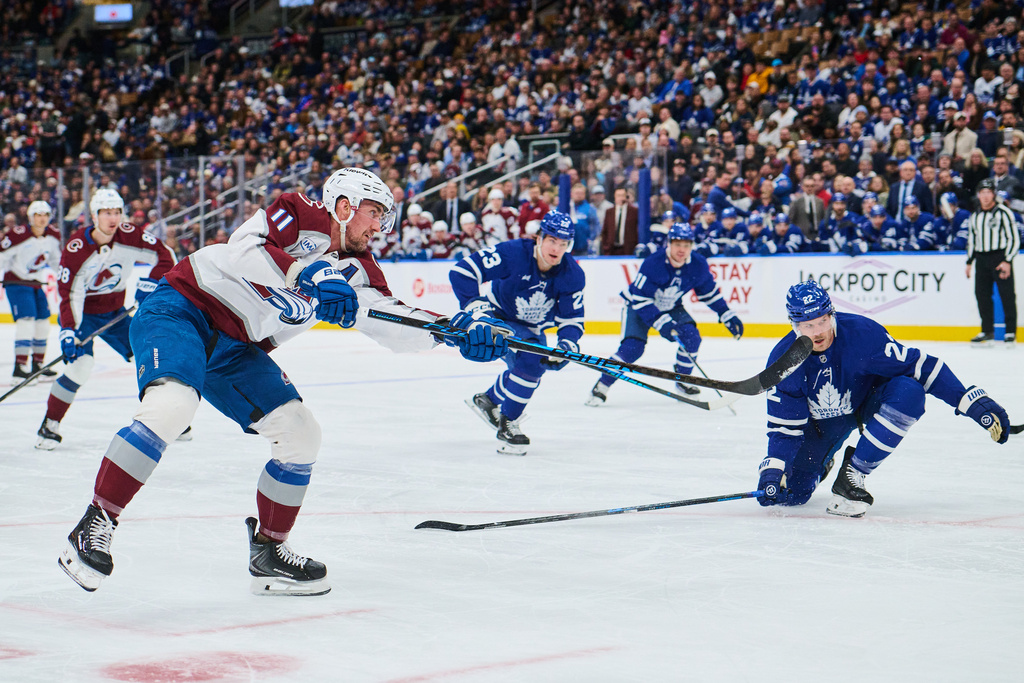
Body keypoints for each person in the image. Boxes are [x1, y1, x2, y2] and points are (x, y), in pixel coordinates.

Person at [58, 168, 509, 595]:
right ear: (346, 204)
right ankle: (96, 522)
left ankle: (270, 550)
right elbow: (244, 247)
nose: (381, 225)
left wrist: (454, 333)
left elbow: (392, 321)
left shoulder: (362, 272)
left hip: (237, 348)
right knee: (172, 406)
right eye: (376, 212)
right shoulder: (299, 211)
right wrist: (305, 274)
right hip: (183, 307)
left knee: (300, 433)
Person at [757, 280, 1011, 518]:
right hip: (820, 427)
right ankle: (822, 463)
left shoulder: (862, 335)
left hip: (866, 404)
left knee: (909, 392)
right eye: (808, 326)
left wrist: (971, 402)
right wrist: (774, 467)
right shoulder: (783, 361)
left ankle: (853, 473)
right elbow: (784, 428)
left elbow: (921, 366)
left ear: (832, 314)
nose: (818, 332)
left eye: (823, 321)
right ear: (794, 325)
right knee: (792, 495)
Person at [36, 189, 178, 450]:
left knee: (148, 358)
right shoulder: (77, 248)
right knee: (80, 366)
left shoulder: (129, 234)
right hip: (85, 317)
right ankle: (49, 425)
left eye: (117, 212)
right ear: (94, 215)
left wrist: (150, 281)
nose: (113, 218)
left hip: (116, 313)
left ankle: (168, 419)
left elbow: (165, 255)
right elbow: (69, 293)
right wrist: (68, 329)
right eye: (106, 213)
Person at [451, 210, 584, 455]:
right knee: (532, 363)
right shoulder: (513, 253)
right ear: (539, 238)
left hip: (531, 329)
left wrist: (567, 346)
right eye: (552, 240)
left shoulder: (572, 274)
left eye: (563, 243)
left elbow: (572, 320)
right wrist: (476, 309)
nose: (557, 248)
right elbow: (462, 272)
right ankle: (507, 424)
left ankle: (489, 400)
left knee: (533, 366)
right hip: (498, 319)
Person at [585, 223, 743, 406]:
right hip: (638, 305)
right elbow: (640, 298)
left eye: (686, 245)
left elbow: (709, 293)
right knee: (632, 349)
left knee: (692, 338)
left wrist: (726, 314)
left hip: (671, 306)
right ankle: (601, 386)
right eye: (677, 244)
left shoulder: (697, 264)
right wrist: (662, 322)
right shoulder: (654, 263)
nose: (681, 250)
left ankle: (683, 381)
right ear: (669, 244)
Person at [0, 200, 61, 384]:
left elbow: (57, 261)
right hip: (16, 282)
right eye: (38, 215)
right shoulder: (18, 235)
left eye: (45, 215)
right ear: (30, 217)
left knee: (43, 321)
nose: (42, 219)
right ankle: (19, 368)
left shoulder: (53, 236)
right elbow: (2, 256)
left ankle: (37, 365)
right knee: (26, 321)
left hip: (36, 283)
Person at [966, 178, 1019, 344]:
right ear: (978, 195)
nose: (986, 196)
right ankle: (986, 330)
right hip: (981, 258)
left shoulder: (1004, 213)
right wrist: (969, 262)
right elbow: (972, 240)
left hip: (999, 257)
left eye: (989, 192)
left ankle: (1010, 331)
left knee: (1007, 294)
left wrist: (1008, 260)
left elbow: (1014, 239)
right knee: (981, 295)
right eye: (983, 193)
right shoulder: (975, 216)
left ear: (994, 194)